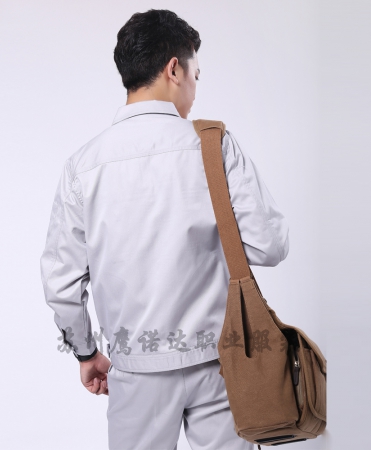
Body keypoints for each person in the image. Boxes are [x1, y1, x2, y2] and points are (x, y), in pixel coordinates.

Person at [40, 9, 289, 450]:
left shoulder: (84, 165)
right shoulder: (214, 144)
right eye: (195, 74)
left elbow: (62, 285)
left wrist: (86, 352)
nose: (194, 86)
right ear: (175, 69)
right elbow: (269, 246)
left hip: (136, 369)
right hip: (221, 363)